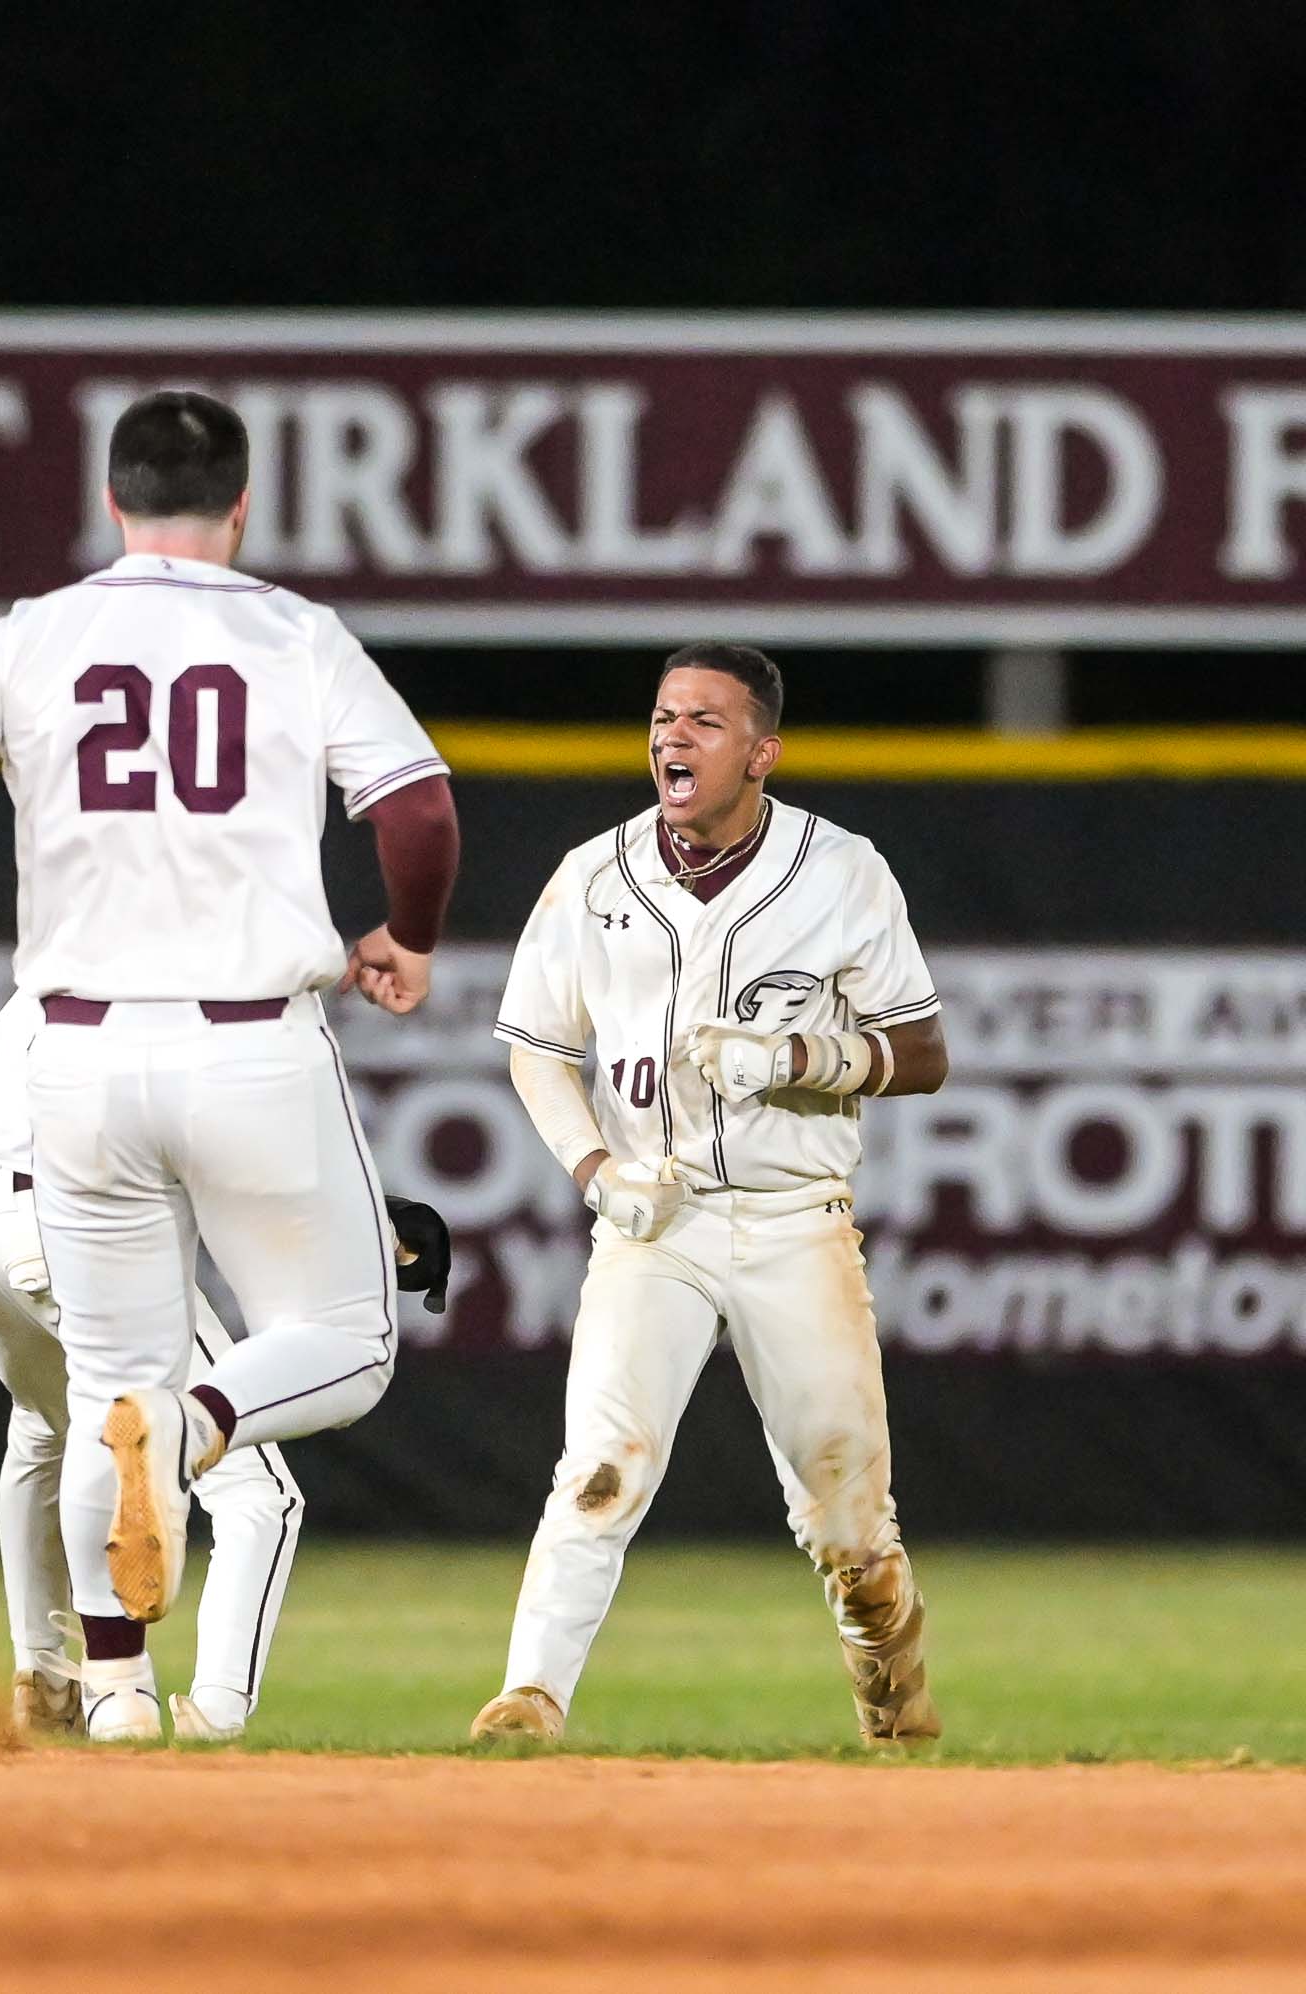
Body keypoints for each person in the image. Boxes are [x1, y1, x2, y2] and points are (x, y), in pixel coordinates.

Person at [0, 389, 458, 1739]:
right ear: (243, 505)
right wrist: (406, 932)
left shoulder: (35, 633)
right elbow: (417, 807)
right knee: (344, 1343)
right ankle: (197, 1428)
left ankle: (115, 1694)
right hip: (248, 1045)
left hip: (77, 1056)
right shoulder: (295, 632)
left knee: (107, 1381)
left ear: (111, 503)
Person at [471, 642, 950, 1746]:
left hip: (795, 1217)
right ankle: (531, 1693)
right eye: (662, 715)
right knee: (600, 1461)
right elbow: (538, 1051)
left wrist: (800, 1055)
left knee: (846, 1512)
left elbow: (922, 1051)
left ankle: (889, 1679)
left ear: (762, 753)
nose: (671, 736)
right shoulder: (594, 873)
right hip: (657, 1222)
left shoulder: (840, 870)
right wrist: (597, 1172)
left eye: (703, 720)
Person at [0, 988, 303, 1743]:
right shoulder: (197, 978)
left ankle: (44, 1678)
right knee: (256, 1487)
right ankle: (199, 1720)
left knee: (44, 1430)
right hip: (72, 1228)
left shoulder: (55, 970)